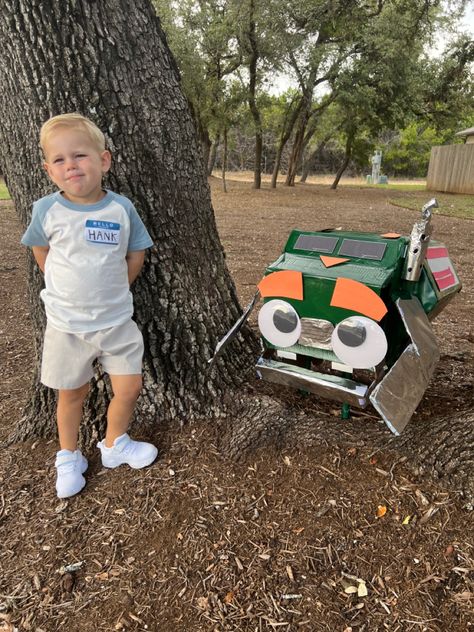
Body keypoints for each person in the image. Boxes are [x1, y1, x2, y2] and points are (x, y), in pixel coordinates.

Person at [21, 113, 158, 499]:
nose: (71, 166)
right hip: (66, 324)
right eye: (60, 160)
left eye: (79, 155)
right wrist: (62, 285)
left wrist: (117, 288)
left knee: (130, 386)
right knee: (71, 393)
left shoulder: (120, 209)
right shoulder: (46, 209)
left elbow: (136, 253)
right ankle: (68, 456)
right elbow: (40, 248)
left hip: (117, 321)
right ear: (49, 170)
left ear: (104, 160)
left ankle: (114, 444)